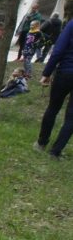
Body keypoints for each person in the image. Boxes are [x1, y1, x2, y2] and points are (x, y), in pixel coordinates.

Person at [34, 17, 73, 159]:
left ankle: (41, 142)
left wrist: (47, 73)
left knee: (53, 108)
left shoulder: (71, 25)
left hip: (65, 73)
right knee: (72, 117)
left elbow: (58, 50)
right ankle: (56, 151)